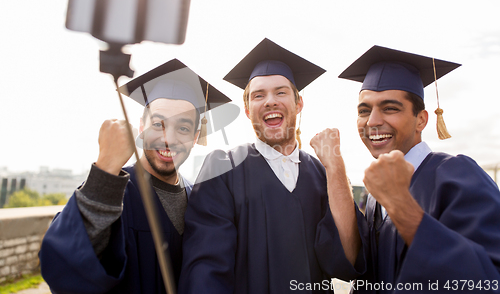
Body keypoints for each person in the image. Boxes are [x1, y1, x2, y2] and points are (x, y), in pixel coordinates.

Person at [179, 38, 363, 294]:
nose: (270, 101)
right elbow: (206, 268)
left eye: (280, 92)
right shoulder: (223, 168)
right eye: (258, 95)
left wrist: (335, 167)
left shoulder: (321, 173)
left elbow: (344, 260)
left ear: (298, 104)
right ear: (247, 109)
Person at [312, 45, 500, 293]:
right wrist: (334, 166)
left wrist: (401, 204)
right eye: (364, 111)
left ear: (421, 119)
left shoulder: (457, 176)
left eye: (390, 108)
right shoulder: (373, 200)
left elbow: (487, 280)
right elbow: (353, 266)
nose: (373, 121)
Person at [39, 59, 231, 294]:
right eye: (158, 124)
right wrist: (105, 169)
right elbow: (62, 269)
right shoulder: (112, 189)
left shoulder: (199, 198)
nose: (168, 138)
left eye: (182, 128)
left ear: (195, 135)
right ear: (141, 127)